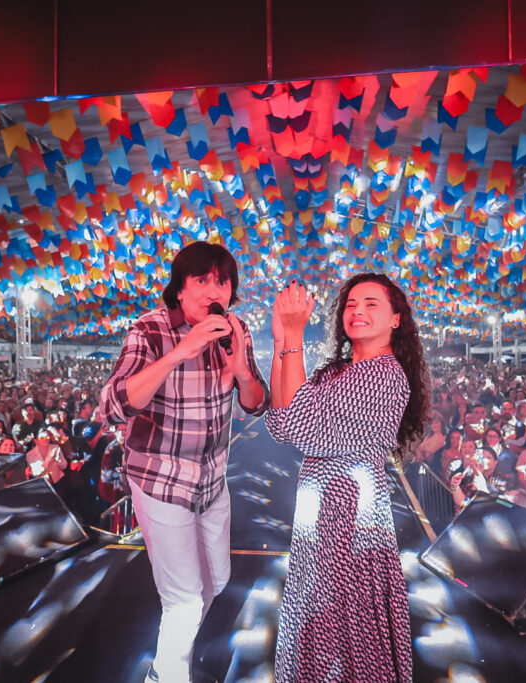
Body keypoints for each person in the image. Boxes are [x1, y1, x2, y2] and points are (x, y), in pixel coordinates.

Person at [98, 241, 268, 683]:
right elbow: (113, 407)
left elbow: (256, 403)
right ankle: (166, 674)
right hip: (160, 480)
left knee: (217, 581)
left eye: (222, 282)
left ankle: (175, 661)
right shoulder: (149, 330)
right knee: (185, 600)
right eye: (202, 280)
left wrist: (241, 369)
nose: (214, 290)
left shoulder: (235, 329)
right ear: (179, 289)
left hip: (212, 481)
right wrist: (180, 352)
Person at [265, 273, 429, 683]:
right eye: (351, 304)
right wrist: (282, 342)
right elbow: (282, 423)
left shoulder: (384, 375)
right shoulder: (334, 372)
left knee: (344, 626)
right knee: (318, 616)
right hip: (320, 516)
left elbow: (303, 429)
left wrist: (295, 336)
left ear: (396, 319)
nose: (357, 311)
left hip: (351, 518)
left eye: (372, 304)